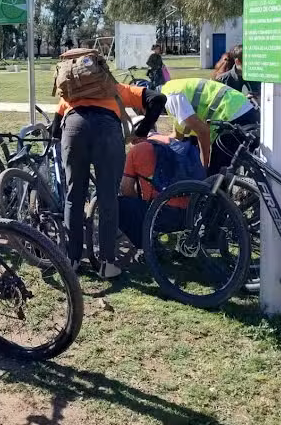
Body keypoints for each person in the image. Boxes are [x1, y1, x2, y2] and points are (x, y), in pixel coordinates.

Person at [50, 50, 166, 279]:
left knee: (74, 196)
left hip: (73, 130)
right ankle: (106, 263)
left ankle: (71, 260)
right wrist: (142, 130)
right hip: (107, 133)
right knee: (108, 198)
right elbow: (158, 99)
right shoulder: (117, 89)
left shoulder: (69, 95)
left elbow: (54, 130)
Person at [117, 133, 205, 250]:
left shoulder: (138, 150)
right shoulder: (177, 145)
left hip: (161, 215)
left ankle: (148, 247)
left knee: (118, 205)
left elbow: (126, 189)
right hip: (191, 215)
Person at [161, 78, 260, 176]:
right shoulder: (170, 90)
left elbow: (203, 132)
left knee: (216, 176)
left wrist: (204, 165)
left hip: (234, 114)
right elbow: (177, 136)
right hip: (238, 109)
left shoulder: (171, 97)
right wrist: (154, 140)